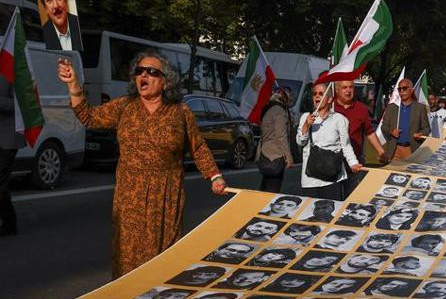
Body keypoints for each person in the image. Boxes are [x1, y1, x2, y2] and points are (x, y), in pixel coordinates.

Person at [58, 53, 226, 278]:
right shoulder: (124, 106)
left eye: (151, 72)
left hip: (166, 196)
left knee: (165, 260)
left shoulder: (180, 111)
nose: (143, 75)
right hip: (130, 196)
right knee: (129, 258)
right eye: (139, 71)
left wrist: (214, 176)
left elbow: (198, 147)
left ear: (165, 81)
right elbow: (89, 117)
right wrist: (74, 85)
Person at [297, 83, 361, 200]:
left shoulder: (340, 119)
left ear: (329, 99)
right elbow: (300, 142)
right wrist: (306, 125)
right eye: (314, 94)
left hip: (333, 177)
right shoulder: (305, 117)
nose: (317, 96)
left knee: (330, 213)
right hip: (310, 178)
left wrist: (353, 163)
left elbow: (346, 146)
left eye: (321, 94)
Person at [333, 80, 385, 195]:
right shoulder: (330, 107)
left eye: (351, 87)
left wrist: (380, 151)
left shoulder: (361, 109)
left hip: (355, 162)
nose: (348, 90)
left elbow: (369, 132)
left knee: (352, 196)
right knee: (333, 199)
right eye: (344, 87)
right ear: (337, 90)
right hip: (333, 162)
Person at [381, 78, 430, 161]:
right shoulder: (391, 107)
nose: (402, 91)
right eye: (399, 89)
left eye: (404, 88)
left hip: (412, 149)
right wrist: (391, 131)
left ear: (411, 90)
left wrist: (420, 134)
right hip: (394, 150)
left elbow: (426, 128)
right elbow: (384, 126)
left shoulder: (420, 108)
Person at [258, 88, 293, 192]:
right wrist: (289, 157)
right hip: (275, 155)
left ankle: (258, 206)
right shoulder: (279, 111)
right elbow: (281, 136)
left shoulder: (269, 108)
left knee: (265, 186)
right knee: (272, 189)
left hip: (265, 152)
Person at [0, 76, 23, 236]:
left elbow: (20, 104)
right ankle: (9, 223)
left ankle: (10, 223)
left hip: (8, 137)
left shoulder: (12, 71)